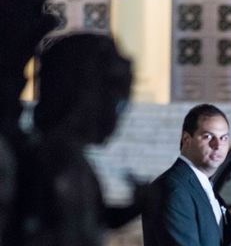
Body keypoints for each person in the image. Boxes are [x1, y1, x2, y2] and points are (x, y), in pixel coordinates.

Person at [11, 33, 143, 246]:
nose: (117, 116)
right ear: (81, 96)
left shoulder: (77, 164)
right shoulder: (41, 167)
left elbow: (94, 220)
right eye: (116, 101)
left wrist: (139, 206)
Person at [142, 103, 231, 246]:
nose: (218, 145)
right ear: (186, 140)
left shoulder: (204, 186)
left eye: (224, 138)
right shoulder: (174, 189)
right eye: (208, 137)